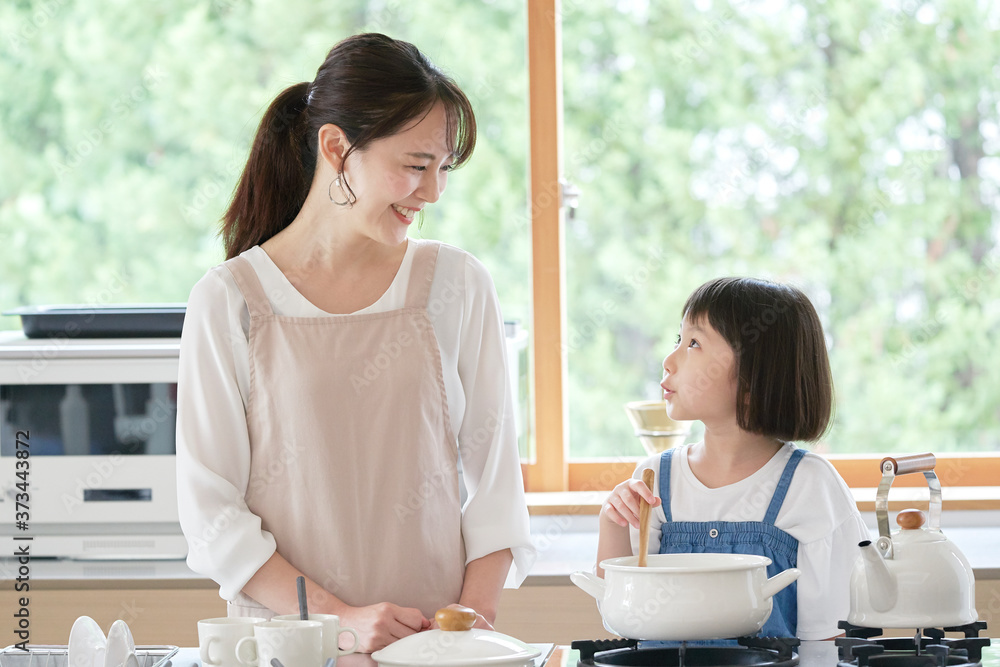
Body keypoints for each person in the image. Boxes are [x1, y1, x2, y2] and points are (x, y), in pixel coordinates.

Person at [176, 33, 535, 653]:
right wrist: (338, 620)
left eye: (443, 169)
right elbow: (212, 515)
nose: (434, 193)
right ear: (337, 148)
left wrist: (468, 630)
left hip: (430, 648)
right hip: (285, 648)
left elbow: (496, 487)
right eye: (416, 165)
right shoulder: (230, 300)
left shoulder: (457, 284)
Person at [597, 277, 868, 642]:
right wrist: (612, 522)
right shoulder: (654, 478)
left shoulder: (811, 485)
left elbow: (829, 638)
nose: (668, 361)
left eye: (694, 343)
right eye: (678, 340)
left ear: (756, 376)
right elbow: (621, 614)